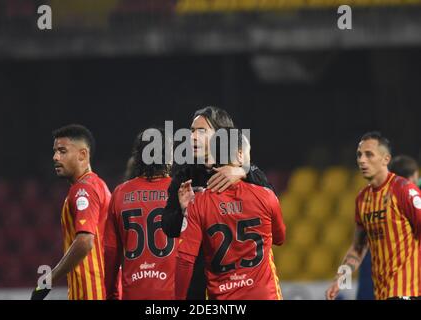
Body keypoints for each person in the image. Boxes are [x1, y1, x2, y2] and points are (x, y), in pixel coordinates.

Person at [162, 106, 275, 299]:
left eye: (201, 131)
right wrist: (182, 209)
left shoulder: (246, 173)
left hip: (246, 283)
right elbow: (169, 228)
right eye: (191, 131)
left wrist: (244, 171)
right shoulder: (185, 176)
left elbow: (272, 207)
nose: (193, 137)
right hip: (201, 284)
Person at [326, 132, 421, 300]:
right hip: (381, 293)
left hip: (407, 292)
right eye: (359, 155)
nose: (362, 160)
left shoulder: (405, 190)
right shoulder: (362, 199)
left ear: (386, 159)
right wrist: (340, 281)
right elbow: (358, 247)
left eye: (369, 154)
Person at [31, 124, 111, 300]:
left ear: (83, 154)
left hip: (92, 293)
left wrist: (47, 281)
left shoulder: (84, 189)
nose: (55, 157)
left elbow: (84, 241)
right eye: (54, 151)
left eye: (62, 151)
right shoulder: (98, 185)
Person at [104, 128, 176, 299]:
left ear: (138, 157)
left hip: (133, 293)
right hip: (172, 294)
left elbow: (111, 252)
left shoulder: (120, 193)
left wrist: (112, 293)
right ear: (169, 157)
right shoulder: (181, 191)